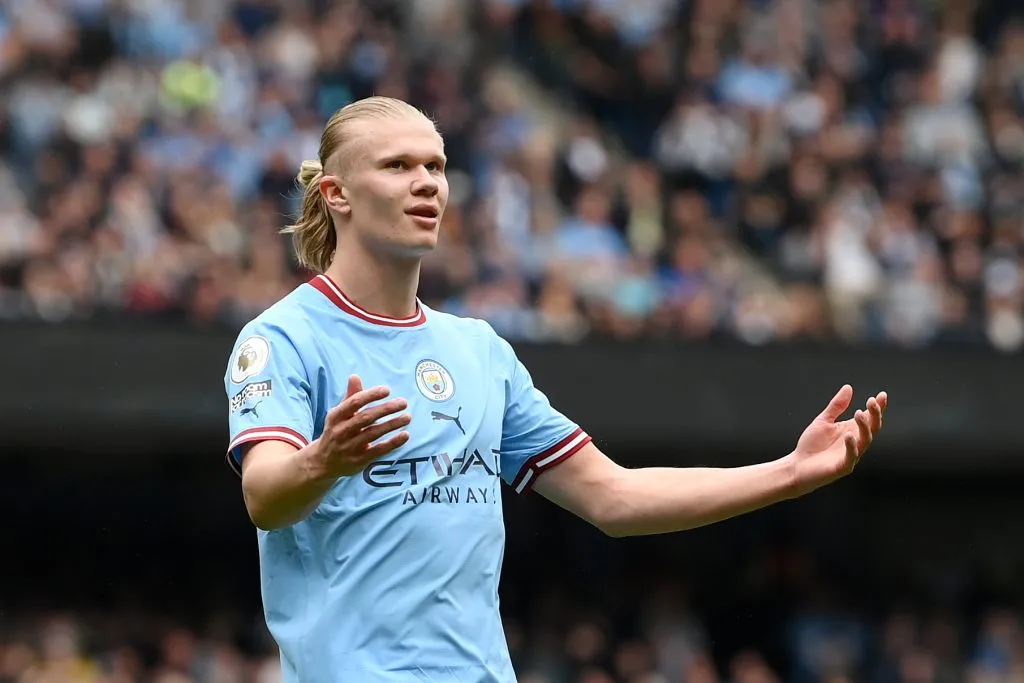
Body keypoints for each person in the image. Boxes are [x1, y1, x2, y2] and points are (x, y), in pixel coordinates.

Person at [223, 96, 888, 683]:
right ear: (337, 193)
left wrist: (789, 472)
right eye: (398, 166)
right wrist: (324, 459)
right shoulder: (283, 339)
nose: (427, 183)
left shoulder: (479, 352)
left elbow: (614, 495)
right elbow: (265, 495)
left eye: (437, 165)